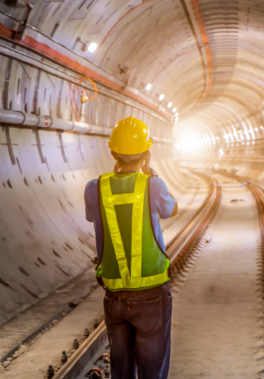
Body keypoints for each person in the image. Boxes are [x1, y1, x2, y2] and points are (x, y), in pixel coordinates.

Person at [84, 116, 178, 379]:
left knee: (121, 369)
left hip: (115, 295)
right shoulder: (153, 185)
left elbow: (94, 217)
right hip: (152, 294)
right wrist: (150, 175)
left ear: (113, 152)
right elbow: (171, 209)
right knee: (152, 371)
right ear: (146, 153)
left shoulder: (94, 188)